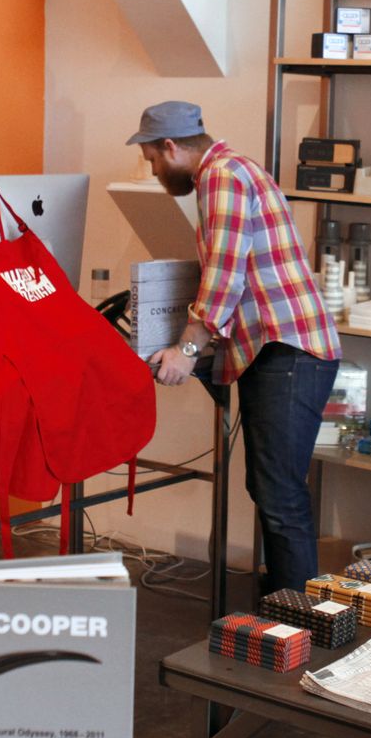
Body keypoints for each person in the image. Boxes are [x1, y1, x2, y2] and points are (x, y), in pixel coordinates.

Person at [130, 101, 341, 595]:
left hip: (288, 351)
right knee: (271, 490)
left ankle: (299, 626)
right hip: (285, 350)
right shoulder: (236, 170)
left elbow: (226, 271)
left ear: (170, 146)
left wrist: (186, 347)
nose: (156, 172)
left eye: (153, 161)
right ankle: (287, 614)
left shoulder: (222, 177)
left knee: (279, 495)